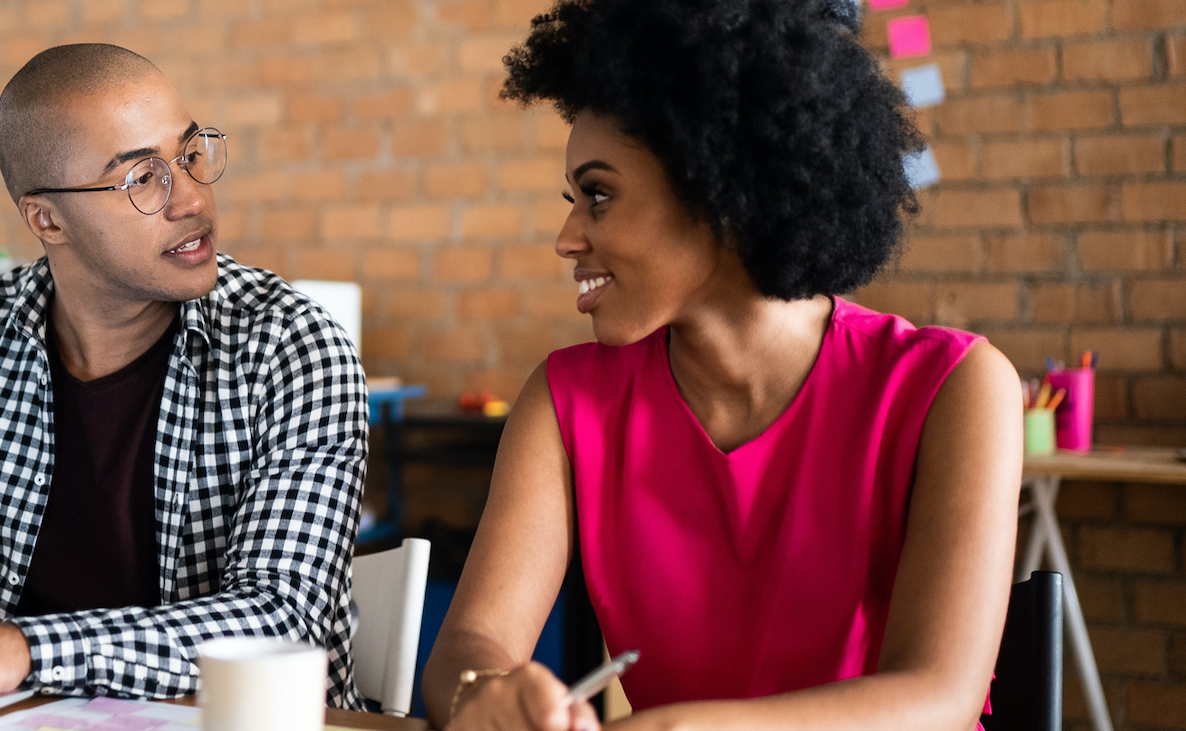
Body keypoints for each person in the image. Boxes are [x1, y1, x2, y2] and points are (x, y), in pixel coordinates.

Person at [424, 1, 1021, 729]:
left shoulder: (950, 389)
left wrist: (690, 726)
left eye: (599, 195)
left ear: (720, 191)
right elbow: (470, 640)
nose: (566, 236)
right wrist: (484, 693)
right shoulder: (566, 400)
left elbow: (940, 694)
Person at [0, 43, 369, 716]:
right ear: (46, 219)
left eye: (189, 155)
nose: (190, 197)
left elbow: (279, 619)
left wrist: (26, 650)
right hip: (42, 713)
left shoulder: (292, 346)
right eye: (141, 178)